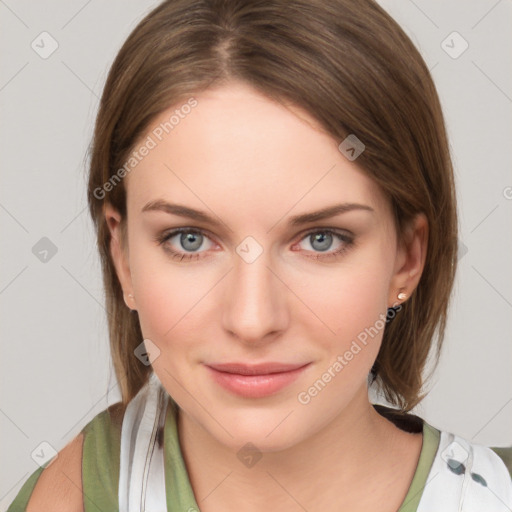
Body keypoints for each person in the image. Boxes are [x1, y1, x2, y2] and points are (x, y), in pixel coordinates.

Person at [7, 0, 511, 510]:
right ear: (124, 259)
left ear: (407, 258)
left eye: (321, 239)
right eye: (189, 239)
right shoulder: (67, 496)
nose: (252, 321)